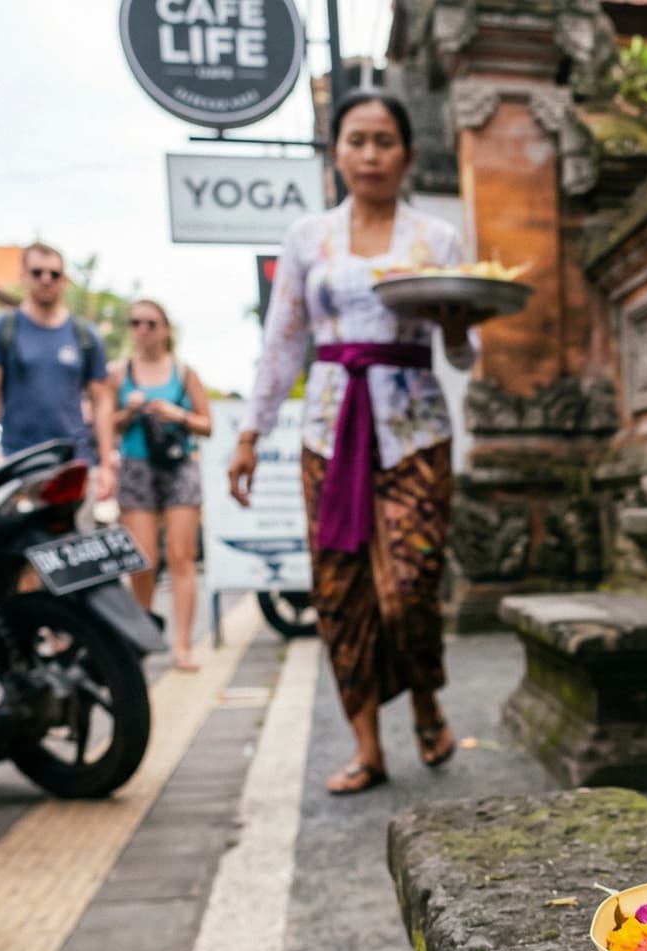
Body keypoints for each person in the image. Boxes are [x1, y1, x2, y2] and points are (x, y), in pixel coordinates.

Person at [230, 89, 476, 795]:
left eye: (384, 141)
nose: (370, 155)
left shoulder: (438, 239)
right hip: (329, 432)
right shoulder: (309, 237)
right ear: (335, 152)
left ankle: (425, 697)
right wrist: (252, 432)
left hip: (414, 429)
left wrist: (457, 325)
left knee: (410, 585)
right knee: (341, 593)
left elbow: (462, 354)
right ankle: (367, 746)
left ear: (407, 154)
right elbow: (282, 341)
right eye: (356, 141)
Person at [107, 299, 209, 670]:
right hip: (136, 467)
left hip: (178, 465)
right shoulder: (119, 374)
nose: (142, 330)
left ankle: (183, 645)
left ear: (165, 329)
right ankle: (144, 636)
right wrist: (129, 410)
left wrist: (177, 414)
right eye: (135, 322)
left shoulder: (183, 372)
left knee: (181, 557)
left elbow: (207, 423)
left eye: (150, 323)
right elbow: (106, 426)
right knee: (143, 559)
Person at [0, 240, 115, 499]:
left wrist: (107, 465)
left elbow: (102, 401)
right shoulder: (2, 329)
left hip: (73, 461)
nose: (46, 279)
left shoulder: (85, 335)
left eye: (54, 274)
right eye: (37, 272)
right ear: (23, 276)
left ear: (63, 279)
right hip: (15, 458)